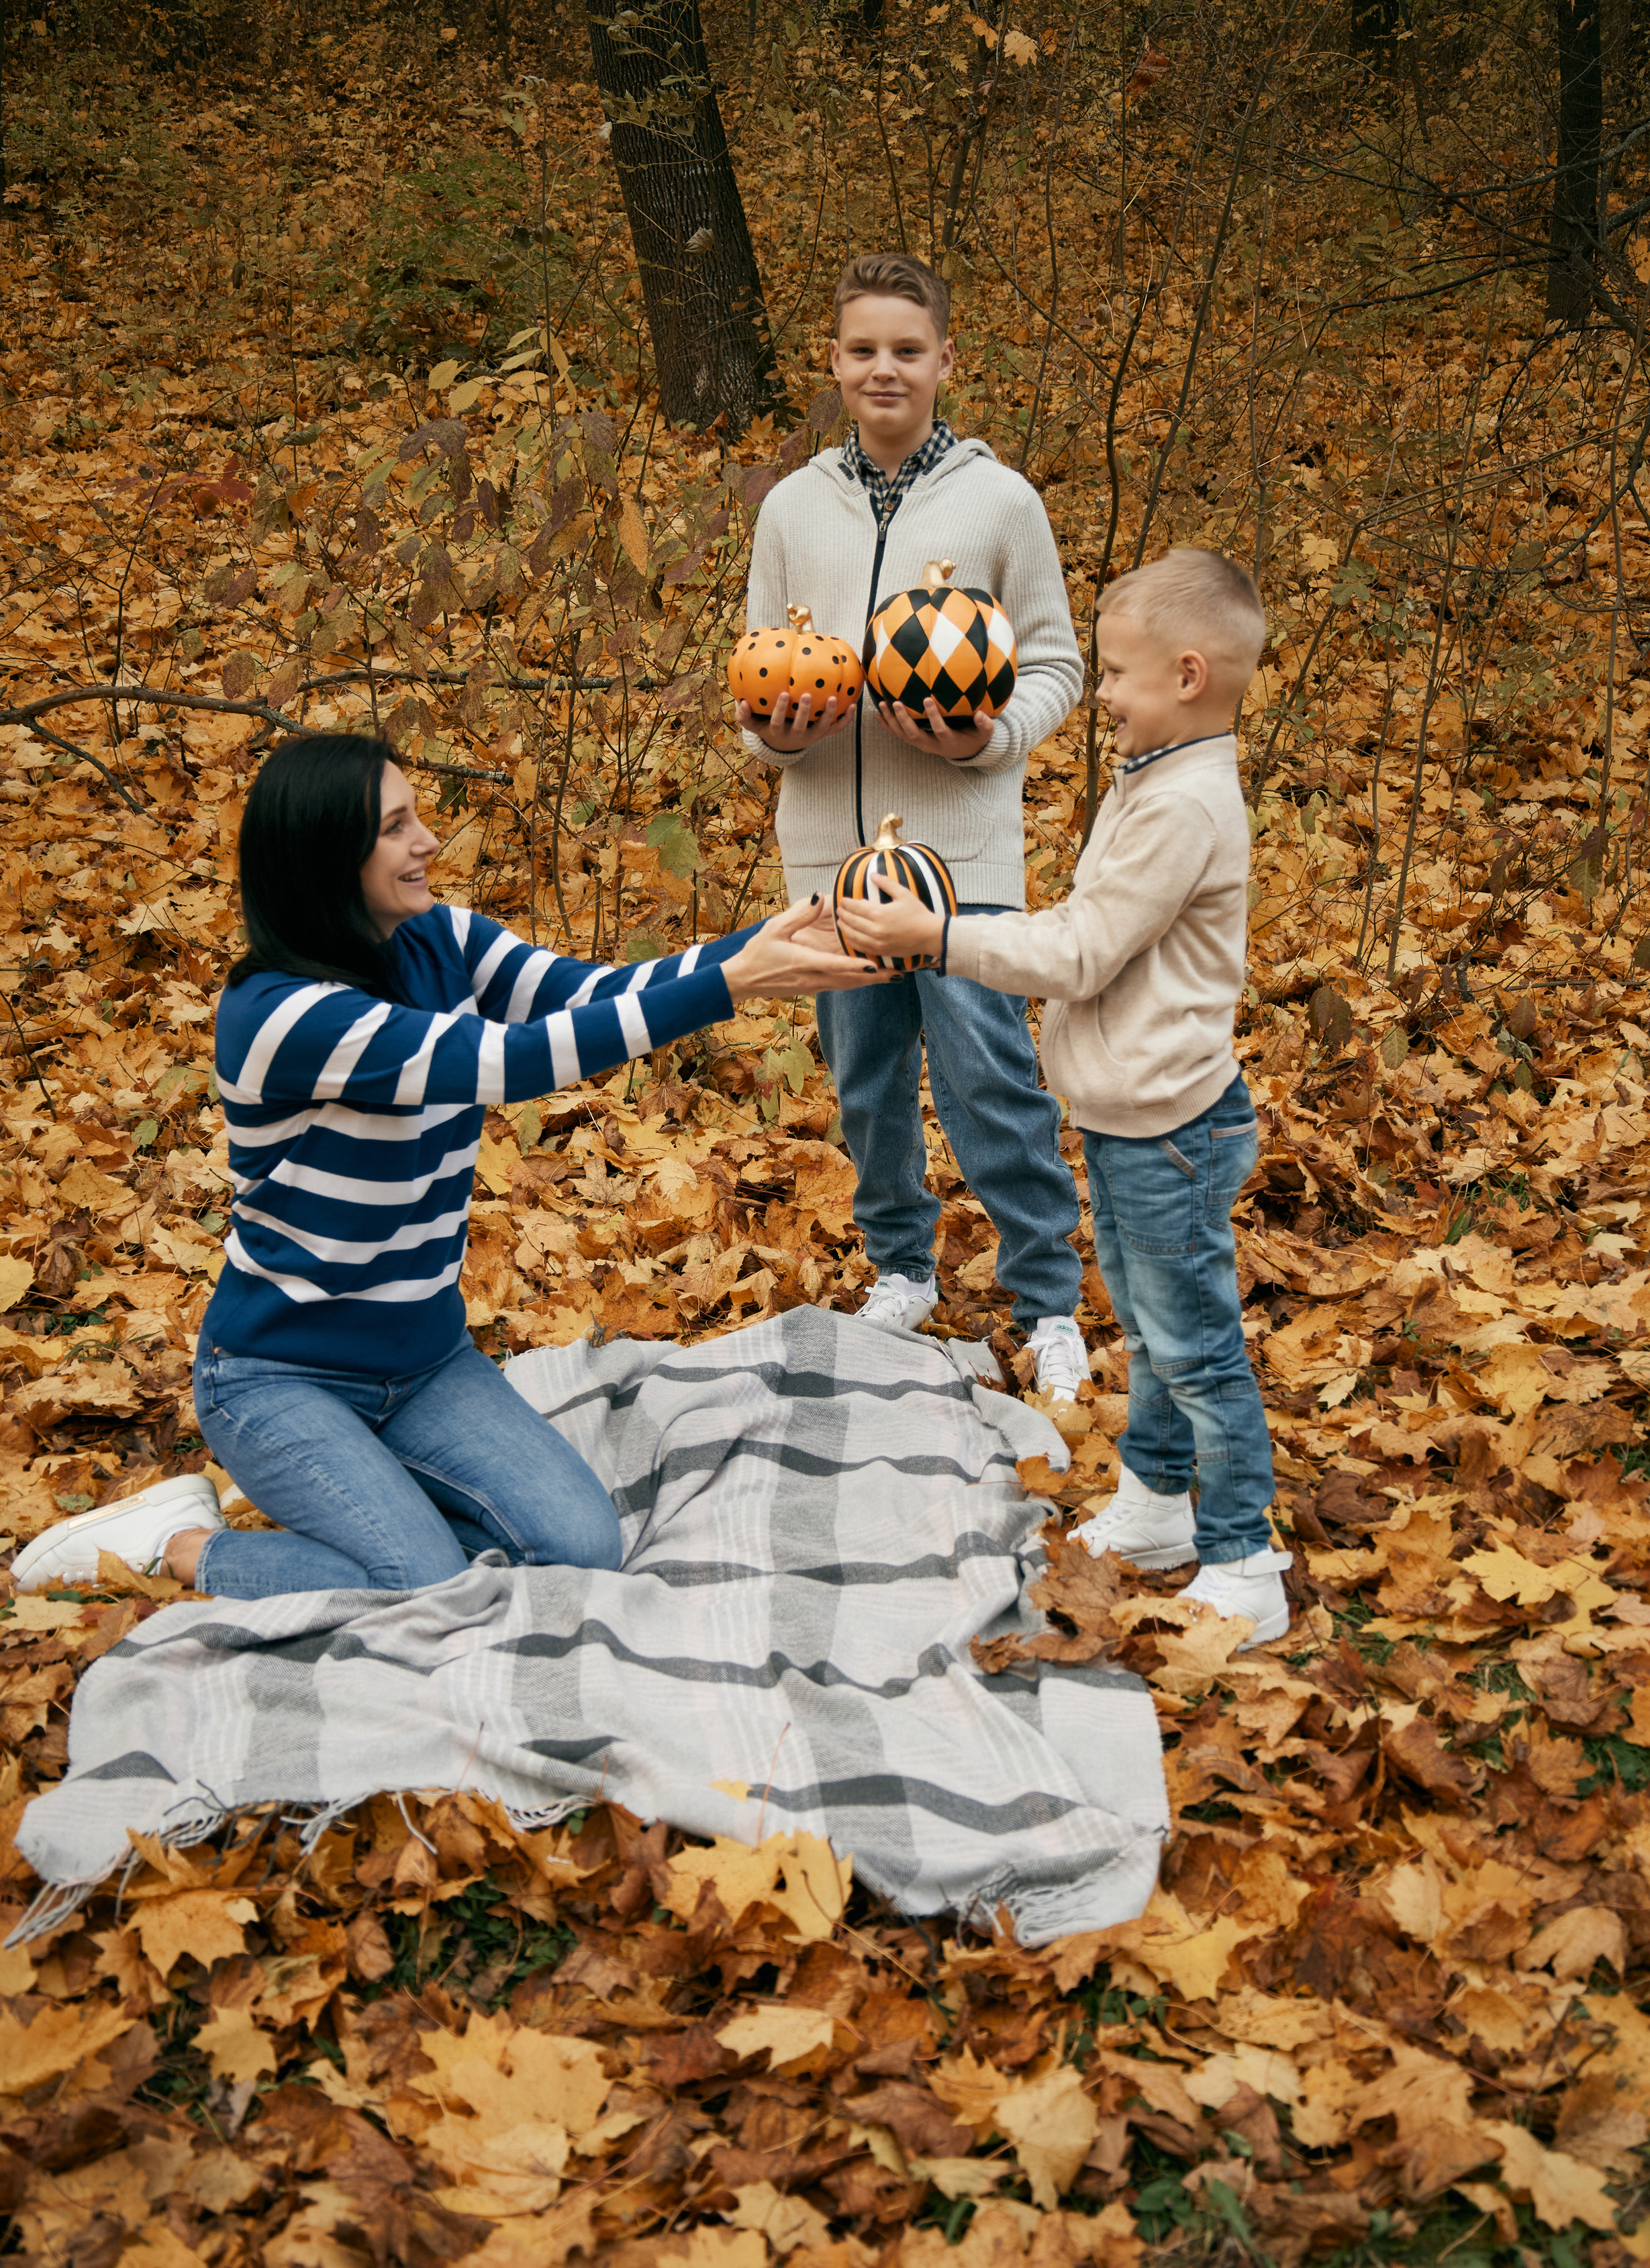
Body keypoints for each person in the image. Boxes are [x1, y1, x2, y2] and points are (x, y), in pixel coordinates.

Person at [11, 735, 885, 1600]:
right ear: (328, 857)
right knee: (421, 1586)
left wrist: (754, 951)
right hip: (278, 1378)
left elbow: (592, 994)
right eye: (396, 827)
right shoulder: (281, 1015)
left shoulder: (443, 941)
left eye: (415, 816)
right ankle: (179, 1543)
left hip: (427, 1364)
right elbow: (510, 1060)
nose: (428, 840)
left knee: (582, 1550)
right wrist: (732, 983)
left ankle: (385, 1516)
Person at [838, 549, 1292, 1645]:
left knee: (1194, 1343)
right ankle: (1155, 1502)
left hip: (1171, 1128)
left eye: (1119, 675)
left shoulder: (1185, 805)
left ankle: (1244, 1555)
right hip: (1134, 1118)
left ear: (1188, 676)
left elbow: (1084, 949)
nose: (1103, 694)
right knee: (1145, 1318)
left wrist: (938, 938)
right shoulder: (1157, 777)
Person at [734, 250, 1091, 1401]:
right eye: (861, 350)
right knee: (867, 1079)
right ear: (832, 364)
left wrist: (984, 741)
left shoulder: (1000, 502)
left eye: (906, 348)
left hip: (959, 850)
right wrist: (779, 738)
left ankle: (1047, 1297)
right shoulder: (792, 508)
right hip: (832, 851)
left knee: (989, 1080)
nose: (883, 368)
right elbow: (759, 683)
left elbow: (1056, 663)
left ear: (946, 359)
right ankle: (903, 1266)